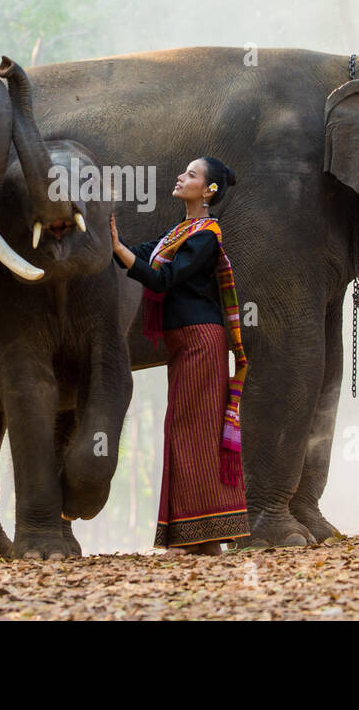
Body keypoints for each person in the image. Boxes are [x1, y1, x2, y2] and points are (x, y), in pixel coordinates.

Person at [109, 156, 250, 556]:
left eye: (191, 174)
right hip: (186, 344)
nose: (180, 177)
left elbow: (161, 278)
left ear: (209, 191)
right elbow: (140, 253)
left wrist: (118, 248)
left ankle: (198, 535)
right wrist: (104, 241)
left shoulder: (205, 237)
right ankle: (200, 538)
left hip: (200, 341)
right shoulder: (180, 233)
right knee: (187, 429)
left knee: (191, 430)